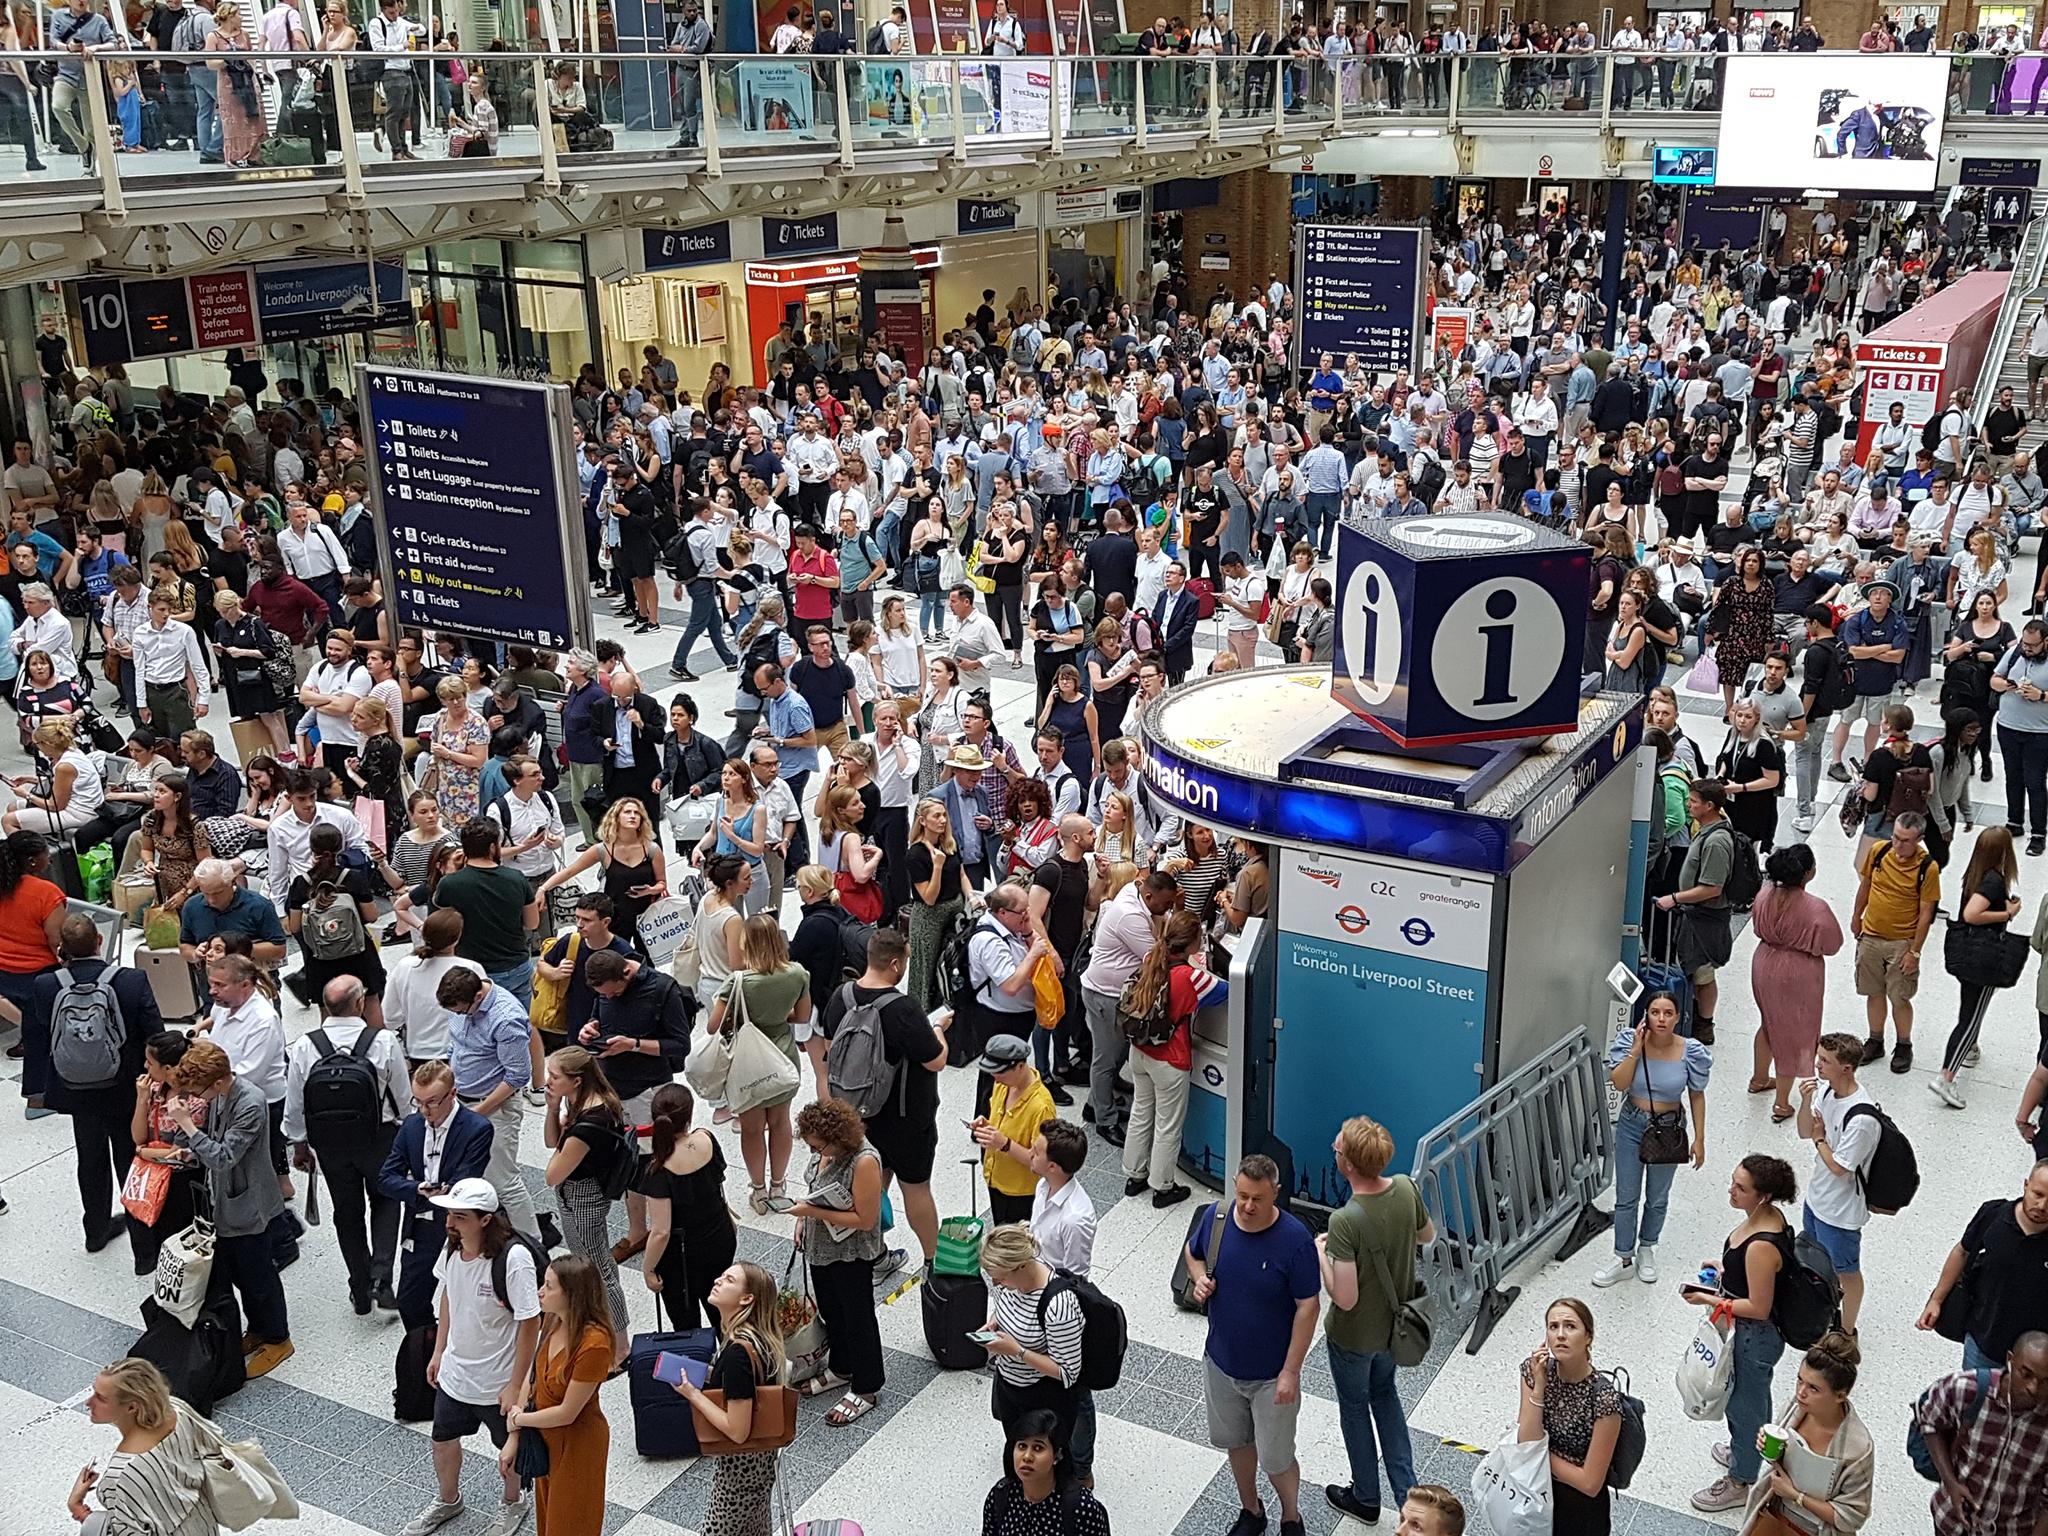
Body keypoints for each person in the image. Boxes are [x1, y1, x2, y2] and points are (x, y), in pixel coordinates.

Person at [1185, 1153, 1321, 1536]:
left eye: (1256, 1199)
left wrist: (1290, 1373)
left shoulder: (1295, 1241)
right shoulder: (1217, 1218)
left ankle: (1291, 1516)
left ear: (1275, 1193)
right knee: (1236, 1444)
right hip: (1221, 1364)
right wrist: (1198, 1278)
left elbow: (1308, 1307)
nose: (1246, 1206)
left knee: (1277, 1459)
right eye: (1241, 1194)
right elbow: (1193, 1254)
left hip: (1271, 1376)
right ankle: (1252, 1511)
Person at [399, 1178, 542, 1536]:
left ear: (486, 1220)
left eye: (460, 1217)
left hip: (498, 1383)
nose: (450, 1223)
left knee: (508, 1452)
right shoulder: (451, 1248)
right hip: (457, 1374)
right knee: (442, 1440)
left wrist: (516, 1386)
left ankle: (514, 1502)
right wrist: (439, 1350)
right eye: (450, 1214)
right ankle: (448, 1500)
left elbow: (530, 1323)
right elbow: (447, 1294)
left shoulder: (514, 1260)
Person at [1318, 1114, 1434, 1525]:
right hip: (1394, 1329)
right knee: (1386, 1396)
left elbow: (1345, 1298)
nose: (1335, 1150)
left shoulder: (1345, 1220)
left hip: (1353, 1338)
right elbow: (1427, 1236)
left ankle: (1366, 1496)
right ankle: (1410, 1499)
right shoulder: (1404, 1188)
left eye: (1338, 1148)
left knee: (1355, 1408)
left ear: (1348, 1164)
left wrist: (1323, 1256)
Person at [32, 912, 160, 1263]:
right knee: (130, 1161)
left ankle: (96, 1231)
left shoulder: (46, 985)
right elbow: (154, 1034)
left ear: (63, 950)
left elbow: (42, 1034)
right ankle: (144, 1249)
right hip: (125, 1089)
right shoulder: (131, 980)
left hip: (75, 1089)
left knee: (90, 1159)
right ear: (99, 942)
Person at [817, 927, 948, 1268]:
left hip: (857, 1118)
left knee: (872, 1187)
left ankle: (874, 1257)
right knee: (916, 1189)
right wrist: (937, 1030)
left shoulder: (840, 997)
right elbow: (935, 1060)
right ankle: (934, 1261)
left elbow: (831, 1051)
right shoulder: (904, 1008)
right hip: (906, 1117)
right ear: (894, 964)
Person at [162, 1038, 293, 1377]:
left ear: (219, 1081)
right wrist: (192, 1151)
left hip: (248, 1203)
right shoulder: (221, 1095)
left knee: (259, 1276)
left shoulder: (250, 1101)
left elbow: (224, 1157)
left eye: (199, 1090)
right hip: (225, 1203)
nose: (196, 1098)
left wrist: (189, 1127)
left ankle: (279, 1338)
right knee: (239, 1274)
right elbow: (216, 1144)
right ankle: (259, 1329)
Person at [282, 975, 410, 1314]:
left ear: (325, 1006)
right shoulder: (382, 1041)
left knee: (347, 1213)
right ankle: (382, 1276)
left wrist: (299, 1145)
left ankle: (359, 1285)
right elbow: (403, 1096)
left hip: (330, 1144)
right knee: (384, 1199)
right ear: (359, 1003)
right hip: (379, 1137)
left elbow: (295, 1103)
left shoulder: (306, 1046)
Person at [1684, 1154, 1797, 1512]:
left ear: (1762, 1196)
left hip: (1754, 1336)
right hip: (1750, 1332)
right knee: (1749, 1399)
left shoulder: (1762, 1244)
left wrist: (1710, 1300)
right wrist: (1723, 1270)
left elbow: (1759, 1307)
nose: (1731, 1190)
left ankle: (1741, 1478)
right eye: (1733, 1181)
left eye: (1740, 1187)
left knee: (1745, 1404)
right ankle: (1744, 1450)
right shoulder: (1765, 1219)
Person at [1593, 990, 1711, 1287]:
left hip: (1669, 1127)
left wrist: (1700, 1138)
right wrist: (1635, 1049)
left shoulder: (1691, 1051)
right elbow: (1618, 1082)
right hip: (1633, 1123)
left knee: (1657, 1196)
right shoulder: (1629, 1041)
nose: (1661, 1018)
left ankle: (1647, 1247)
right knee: (1626, 1195)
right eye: (1655, 1012)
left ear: (1678, 1017)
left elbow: (1697, 1095)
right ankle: (1623, 1257)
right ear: (1646, 1014)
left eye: (1667, 1013)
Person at [667, 1260, 788, 1536]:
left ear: (747, 1299)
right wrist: (709, 1374)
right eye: (722, 1275)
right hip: (759, 1465)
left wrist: (693, 1395)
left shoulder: (737, 1353)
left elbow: (737, 1429)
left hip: (739, 1475)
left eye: (730, 1280)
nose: (718, 1281)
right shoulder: (756, 1340)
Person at [789, 1096, 887, 1426]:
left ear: (838, 1138)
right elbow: (814, 1188)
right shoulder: (825, 1157)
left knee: (858, 1317)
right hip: (822, 1248)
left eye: (819, 1147)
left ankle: (867, 1386)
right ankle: (842, 1366)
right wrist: (803, 1221)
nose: (816, 1154)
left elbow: (865, 1218)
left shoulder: (864, 1161)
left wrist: (809, 1212)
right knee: (831, 1310)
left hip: (851, 1253)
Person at [378, 1059, 494, 1333]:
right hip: (423, 1223)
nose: (424, 1110)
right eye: (418, 1102)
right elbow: (386, 1178)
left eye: (431, 1102)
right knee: (409, 1299)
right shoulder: (412, 1126)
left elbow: (463, 1182)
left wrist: (436, 1190)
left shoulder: (477, 1128)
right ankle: (426, 1349)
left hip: (464, 1224)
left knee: (469, 1301)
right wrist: (416, 1189)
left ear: (453, 1094)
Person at [706, 915, 810, 1210]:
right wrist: (776, 1019)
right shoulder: (798, 974)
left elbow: (713, 1026)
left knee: (752, 1129)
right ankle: (779, 1186)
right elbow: (802, 1017)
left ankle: (758, 1190)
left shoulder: (738, 982)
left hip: (746, 1062)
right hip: (782, 1056)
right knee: (780, 1123)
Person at [437, 966, 547, 1244]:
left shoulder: (506, 1019)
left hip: (495, 1108)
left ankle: (532, 1244)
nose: (459, 1016)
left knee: (504, 1180)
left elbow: (516, 1076)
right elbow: (457, 1045)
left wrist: (478, 1112)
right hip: (462, 1100)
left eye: (462, 1011)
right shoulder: (461, 1005)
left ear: (478, 997)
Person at [503, 1256, 612, 1536]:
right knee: (550, 1522)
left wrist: (519, 1420)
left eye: (549, 1287)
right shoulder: (552, 1320)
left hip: (577, 1445)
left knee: (570, 1524)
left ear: (571, 1294)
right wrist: (516, 1433)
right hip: (546, 1438)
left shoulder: (594, 1344)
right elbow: (533, 1376)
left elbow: (567, 1412)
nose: (540, 1291)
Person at [1122, 911, 1223, 1211]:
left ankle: (1135, 1175)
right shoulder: (1190, 977)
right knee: (1168, 1125)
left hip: (1139, 1052)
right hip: (1170, 1059)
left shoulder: (1151, 959)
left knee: (1141, 1112)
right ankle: (1162, 1186)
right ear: (1193, 942)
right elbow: (1229, 990)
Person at [67, 1358, 234, 1536]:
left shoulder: (119, 1476)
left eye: (101, 1398)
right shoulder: (179, 1413)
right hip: (202, 1525)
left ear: (132, 1407)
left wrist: (78, 1509)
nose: (88, 1403)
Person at [539, 1047, 632, 1363]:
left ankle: (620, 1344)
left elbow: (552, 1174)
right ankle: (598, 1324)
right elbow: (553, 1142)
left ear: (576, 1080)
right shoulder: (588, 1101)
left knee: (600, 1269)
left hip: (583, 1198)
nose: (548, 1081)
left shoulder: (590, 1123)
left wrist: (564, 1132)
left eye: (555, 1076)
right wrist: (553, 1110)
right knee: (587, 1265)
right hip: (574, 1192)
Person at [1736, 1331, 1874, 1536]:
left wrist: (1795, 1496)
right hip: (1775, 1516)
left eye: (1814, 1388)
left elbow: (1852, 1517)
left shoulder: (1857, 1448)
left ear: (1840, 1395)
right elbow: (1780, 1463)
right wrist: (1768, 1449)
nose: (1801, 1392)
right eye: (1799, 1380)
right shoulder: (1795, 1408)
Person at [1910, 1332, 2048, 1536]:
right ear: (2010, 1360)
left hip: (2013, 1529)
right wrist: (1950, 1481)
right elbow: (1930, 1421)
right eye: (2025, 1374)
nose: (2033, 1388)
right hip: (1952, 1521)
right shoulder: (1967, 1388)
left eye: (2045, 1381)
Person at [1921, 1161, 2048, 1371]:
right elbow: (1962, 1251)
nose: (2042, 1206)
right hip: (1983, 1342)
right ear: (2026, 1185)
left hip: (2037, 1358)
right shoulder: (1993, 1215)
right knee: (1977, 1399)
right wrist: (1936, 1299)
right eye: (2038, 1194)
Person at [1080, 868, 1175, 1147]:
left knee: (1117, 1051)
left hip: (1116, 994)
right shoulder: (1130, 916)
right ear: (1148, 896)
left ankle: (1096, 1101)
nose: (1169, 909)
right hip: (1105, 996)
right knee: (1106, 1059)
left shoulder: (1136, 894)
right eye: (1166, 904)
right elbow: (1155, 959)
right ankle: (1104, 1119)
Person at [1748, 844, 1843, 1123]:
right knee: (1792, 1033)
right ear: (1808, 873)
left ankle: (1759, 1078)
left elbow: (1755, 926)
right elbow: (1832, 944)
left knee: (1769, 1022)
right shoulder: (1815, 907)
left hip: (1764, 962)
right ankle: (1781, 1103)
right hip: (1797, 972)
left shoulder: (1764, 895)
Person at [1797, 1033, 1882, 1337]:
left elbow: (1839, 1167)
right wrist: (1807, 1101)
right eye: (1819, 1057)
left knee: (1846, 1271)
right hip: (1816, 1198)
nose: (1817, 1065)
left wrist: (1821, 1138)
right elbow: (1805, 1131)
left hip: (1841, 1212)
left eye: (1825, 1061)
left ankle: (1846, 1329)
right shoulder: (1826, 1092)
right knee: (1813, 1259)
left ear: (1846, 1068)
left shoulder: (1862, 1118)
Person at [1934, 826, 2026, 1109]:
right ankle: (1946, 1076)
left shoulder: (1974, 873)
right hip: (1985, 958)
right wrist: (2007, 913)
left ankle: (1971, 1049)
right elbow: (1972, 914)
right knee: (1970, 1018)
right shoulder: (1994, 880)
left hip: (1968, 954)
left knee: (1969, 1007)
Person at [1516, 1298, 1623, 1536]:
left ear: (1588, 1337)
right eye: (1553, 1327)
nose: (1560, 1334)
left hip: (1579, 1511)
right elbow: (1526, 1438)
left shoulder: (1605, 1400)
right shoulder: (1533, 1372)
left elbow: (1590, 1483)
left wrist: (1538, 1455)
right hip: (1535, 1493)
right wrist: (1539, 1386)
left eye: (1570, 1326)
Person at [979, 1223, 1087, 1458]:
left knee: (1041, 1463)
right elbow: (1004, 1305)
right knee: (1017, 1452)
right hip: (1009, 1387)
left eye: (1001, 1278)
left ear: (1022, 1266)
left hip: (1042, 1397)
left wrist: (1017, 1351)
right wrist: (995, 1321)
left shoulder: (1059, 1304)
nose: (996, 1285)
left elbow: (1067, 1372)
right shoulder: (1006, 1283)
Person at [641, 1081, 738, 1332]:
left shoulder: (659, 1170)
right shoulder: (706, 1138)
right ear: (689, 1116)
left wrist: (648, 1269)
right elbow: (718, 1185)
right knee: (724, 1313)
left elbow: (661, 1231)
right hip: (719, 1237)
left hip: (681, 1258)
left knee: (686, 1325)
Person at [1850, 810, 1938, 1072]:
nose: (1898, 845)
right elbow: (1865, 886)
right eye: (1896, 837)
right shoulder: (1879, 851)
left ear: (1919, 839)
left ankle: (1904, 1044)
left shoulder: (1928, 868)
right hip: (1871, 936)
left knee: (1899, 997)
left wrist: (1915, 952)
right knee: (1873, 991)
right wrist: (1857, 916)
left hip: (1902, 942)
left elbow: (1926, 914)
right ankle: (1875, 1039)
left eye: (1905, 840)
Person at [1650, 779, 1735, 1045]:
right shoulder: (1706, 829)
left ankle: (1704, 1023)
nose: (1689, 804)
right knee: (1694, 968)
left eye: (1694, 801)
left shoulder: (1717, 841)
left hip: (1706, 919)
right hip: (1695, 916)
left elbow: (1712, 888)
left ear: (1709, 805)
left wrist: (1674, 898)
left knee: (1703, 972)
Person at [437, 820, 542, 1006]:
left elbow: (440, 924)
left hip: (473, 972)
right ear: (493, 847)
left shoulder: (449, 885)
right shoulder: (516, 879)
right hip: (516, 965)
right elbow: (532, 923)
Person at [981, 1407, 1113, 1536]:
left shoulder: (1081, 1507)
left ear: (1057, 1455)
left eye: (1038, 1448)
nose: (1027, 1456)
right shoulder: (1000, 1496)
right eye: (1022, 1446)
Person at [972, 1032, 1059, 1227]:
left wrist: (1004, 1144)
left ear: (1020, 1066)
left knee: (1016, 1250)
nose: (995, 1077)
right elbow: (1001, 1122)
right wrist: (986, 1125)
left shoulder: (1041, 1107)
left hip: (1021, 1194)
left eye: (1000, 1072)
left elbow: (1041, 1163)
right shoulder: (1003, 1085)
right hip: (996, 1180)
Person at [1993, 618, 2048, 856]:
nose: (2027, 648)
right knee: (2012, 776)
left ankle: (2038, 833)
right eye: (2025, 643)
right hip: (2008, 726)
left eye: (2033, 645)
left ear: (2045, 642)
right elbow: (1994, 679)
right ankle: (2014, 822)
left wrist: (2042, 695)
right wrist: (2005, 685)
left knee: (2035, 781)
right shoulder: (2015, 653)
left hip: (2039, 732)